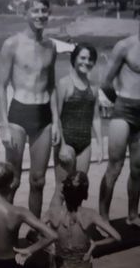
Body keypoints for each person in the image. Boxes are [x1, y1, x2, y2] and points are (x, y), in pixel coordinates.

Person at [98, 0, 140, 233]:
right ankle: (103, 218)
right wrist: (120, 104)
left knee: (138, 167)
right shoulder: (124, 46)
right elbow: (105, 81)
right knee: (114, 167)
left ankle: (132, 216)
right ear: (139, 18)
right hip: (123, 111)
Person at [0, 0, 60, 215]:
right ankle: (5, 230)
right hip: (19, 114)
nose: (40, 15)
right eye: (35, 10)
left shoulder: (51, 46)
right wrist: (3, 124)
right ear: (26, 13)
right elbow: (1, 87)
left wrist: (56, 122)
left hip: (43, 117)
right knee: (12, 180)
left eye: (44, 10)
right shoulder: (12, 44)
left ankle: (35, 229)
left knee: (38, 180)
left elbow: (51, 86)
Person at [50, 43, 103, 208]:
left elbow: (95, 117)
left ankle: (71, 230)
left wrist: (100, 144)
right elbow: (56, 117)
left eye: (90, 59)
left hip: (85, 144)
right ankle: (49, 229)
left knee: (78, 189)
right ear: (74, 59)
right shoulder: (64, 84)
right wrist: (63, 146)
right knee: (61, 189)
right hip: (67, 142)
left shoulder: (93, 87)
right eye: (82, 58)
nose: (86, 62)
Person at [44, 171, 121, 268]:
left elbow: (32, 233)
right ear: (85, 195)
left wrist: (49, 247)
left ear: (64, 192)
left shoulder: (53, 212)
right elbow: (116, 237)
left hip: (60, 262)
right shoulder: (90, 214)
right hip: (81, 262)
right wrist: (95, 244)